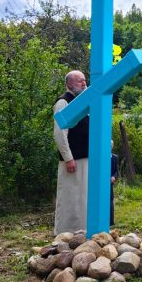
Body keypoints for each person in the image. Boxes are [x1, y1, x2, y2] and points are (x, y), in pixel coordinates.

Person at [53, 70, 89, 235]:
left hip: (88, 158)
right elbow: (59, 133)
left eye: (84, 80)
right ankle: (65, 233)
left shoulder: (84, 102)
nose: (83, 83)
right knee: (71, 196)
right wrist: (68, 158)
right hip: (74, 160)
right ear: (69, 84)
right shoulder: (63, 103)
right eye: (79, 81)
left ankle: (84, 230)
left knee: (83, 197)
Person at [110, 142, 118, 227]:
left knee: (110, 200)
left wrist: (113, 177)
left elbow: (116, 171)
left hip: (110, 182)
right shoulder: (101, 157)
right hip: (102, 182)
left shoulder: (115, 157)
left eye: (111, 146)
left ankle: (111, 221)